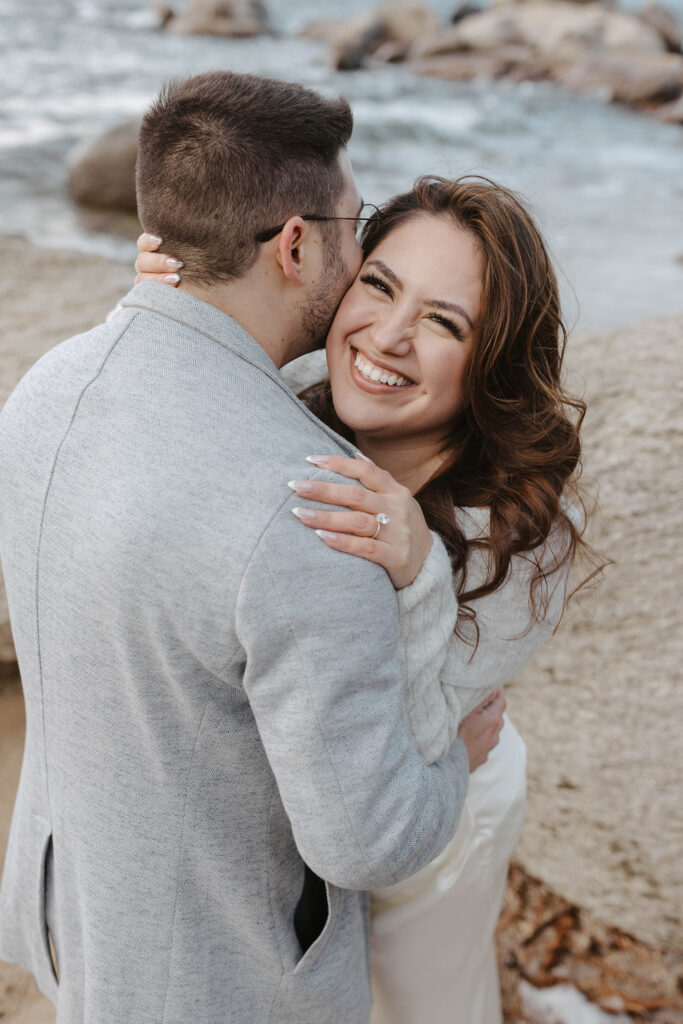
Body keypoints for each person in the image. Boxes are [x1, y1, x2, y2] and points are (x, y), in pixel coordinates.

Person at [0, 73, 504, 1024]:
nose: (358, 264)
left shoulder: (45, 387)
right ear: (296, 243)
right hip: (214, 975)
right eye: (355, 229)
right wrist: (453, 766)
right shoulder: (312, 506)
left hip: (72, 918)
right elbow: (367, 840)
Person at [137, 172, 593, 1023]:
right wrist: (169, 314)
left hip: (442, 814)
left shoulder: (525, 531)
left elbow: (413, 746)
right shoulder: (295, 405)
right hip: (309, 814)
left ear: (490, 357)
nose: (386, 336)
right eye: (379, 285)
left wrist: (420, 569)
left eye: (443, 321)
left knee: (421, 1009)